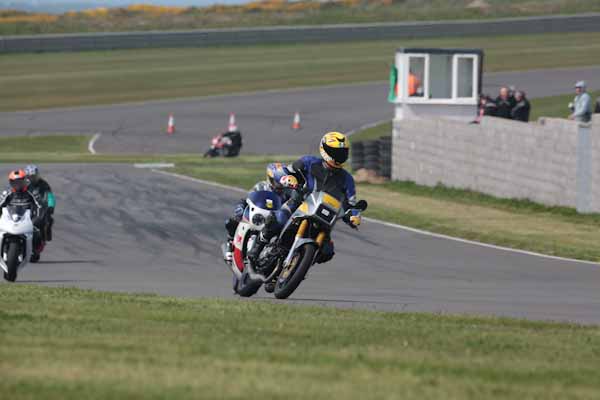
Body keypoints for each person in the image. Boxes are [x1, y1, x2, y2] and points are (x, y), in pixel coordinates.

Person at [247, 131, 362, 264]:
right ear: (325, 150)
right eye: (335, 152)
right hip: (298, 203)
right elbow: (287, 171)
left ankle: (301, 264)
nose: (339, 156)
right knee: (278, 218)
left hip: (324, 218)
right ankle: (257, 246)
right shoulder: (309, 162)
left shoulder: (347, 179)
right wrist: (288, 178)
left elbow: (351, 203)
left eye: (342, 153)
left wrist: (354, 216)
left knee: (327, 251)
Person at [224, 163, 298, 262]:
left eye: (280, 182)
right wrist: (242, 209)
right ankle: (230, 243)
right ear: (270, 178)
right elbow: (250, 199)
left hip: (274, 219)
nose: (279, 185)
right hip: (258, 213)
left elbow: (291, 206)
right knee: (234, 218)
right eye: (276, 181)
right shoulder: (261, 186)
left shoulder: (288, 192)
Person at [0, 170, 44, 255]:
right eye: (15, 182)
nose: (17, 185)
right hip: (10, 219)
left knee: (37, 232)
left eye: (20, 182)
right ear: (10, 183)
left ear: (24, 181)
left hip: (27, 220)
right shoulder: (7, 193)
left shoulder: (32, 193)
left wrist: (38, 218)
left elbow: (40, 206)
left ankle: (35, 251)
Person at [24, 165, 55, 242]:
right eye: (31, 176)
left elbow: (50, 196)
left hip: (39, 206)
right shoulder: (24, 184)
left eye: (35, 176)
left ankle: (44, 236)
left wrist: (51, 206)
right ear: (27, 177)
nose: (33, 178)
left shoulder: (44, 184)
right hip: (25, 205)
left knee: (48, 219)